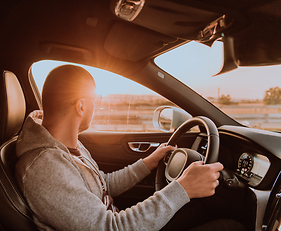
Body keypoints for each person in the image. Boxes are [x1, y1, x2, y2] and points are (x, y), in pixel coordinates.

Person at [15, 65, 242, 230]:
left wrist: (150, 161)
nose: (98, 105)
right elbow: (111, 228)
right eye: (97, 99)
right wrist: (183, 188)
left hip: (118, 222)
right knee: (231, 227)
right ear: (82, 105)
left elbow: (104, 184)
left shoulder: (66, 146)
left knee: (203, 210)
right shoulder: (45, 167)